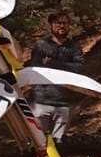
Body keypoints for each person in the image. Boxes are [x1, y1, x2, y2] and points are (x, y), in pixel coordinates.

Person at [27, 10, 84, 140]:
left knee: (59, 143)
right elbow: (36, 69)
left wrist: (53, 63)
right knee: (37, 141)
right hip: (40, 101)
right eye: (58, 23)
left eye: (65, 23)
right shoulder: (41, 46)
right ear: (51, 25)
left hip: (64, 102)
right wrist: (66, 66)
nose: (62, 26)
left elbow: (79, 69)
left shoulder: (74, 48)